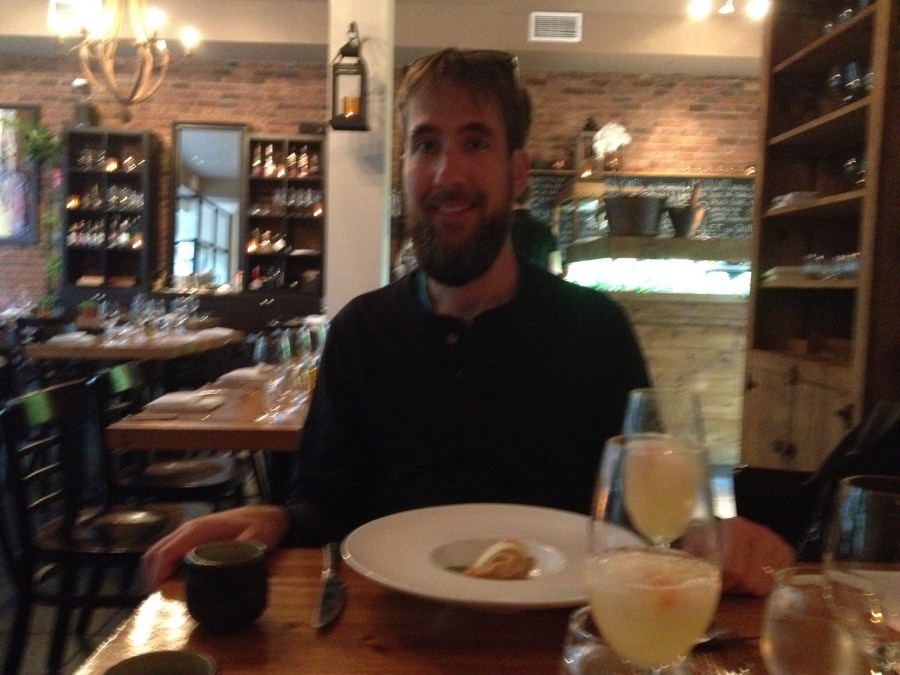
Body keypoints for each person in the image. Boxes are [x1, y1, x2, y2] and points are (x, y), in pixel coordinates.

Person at [142, 48, 793, 595]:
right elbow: (324, 506)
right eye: (425, 144)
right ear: (403, 172)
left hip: (557, 645)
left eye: (475, 141)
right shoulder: (362, 333)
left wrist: (707, 538)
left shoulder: (598, 331)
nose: (446, 173)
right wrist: (276, 517)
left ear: (517, 174)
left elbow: (641, 525)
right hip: (388, 640)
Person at [509, 184, 561, 273]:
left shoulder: (499, 231)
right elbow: (556, 270)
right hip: (537, 285)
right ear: (531, 198)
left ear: (510, 198)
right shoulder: (545, 231)